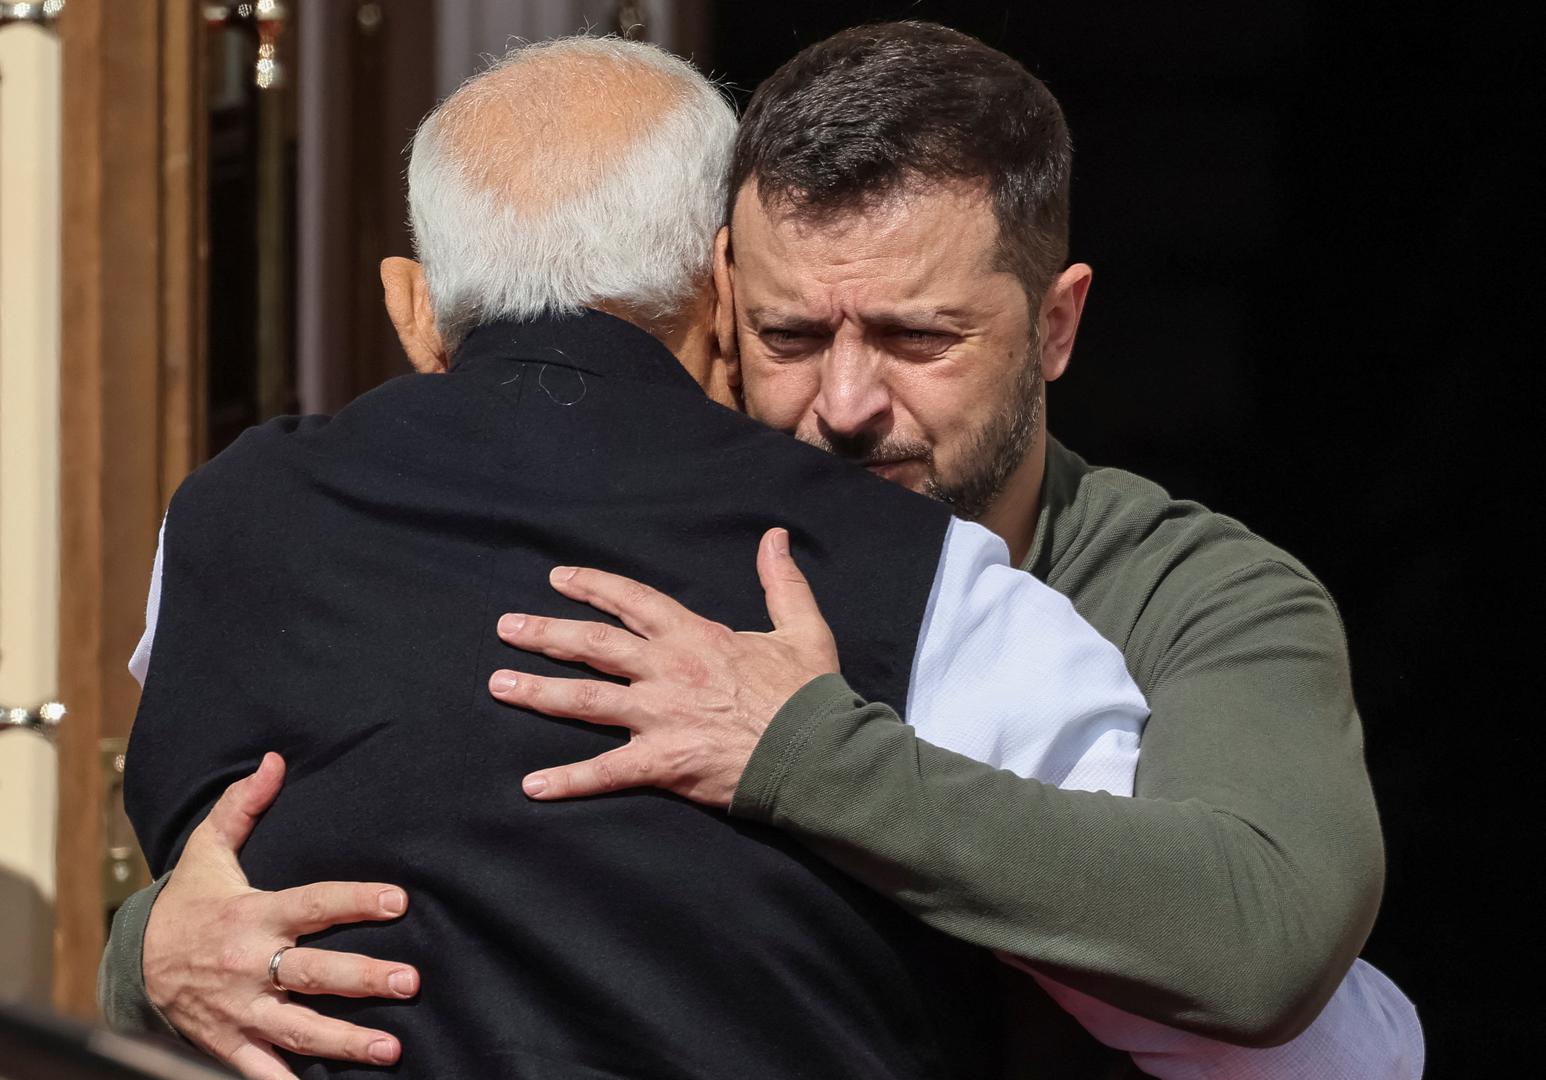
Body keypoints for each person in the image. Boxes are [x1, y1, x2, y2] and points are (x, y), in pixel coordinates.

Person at [102, 27, 1422, 1080]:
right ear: (721, 305)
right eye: (792, 338)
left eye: (916, 339)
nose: (845, 405)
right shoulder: (631, 553)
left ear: (1056, 326)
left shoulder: (1188, 596)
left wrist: (807, 756)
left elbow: (1272, 965)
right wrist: (149, 951)